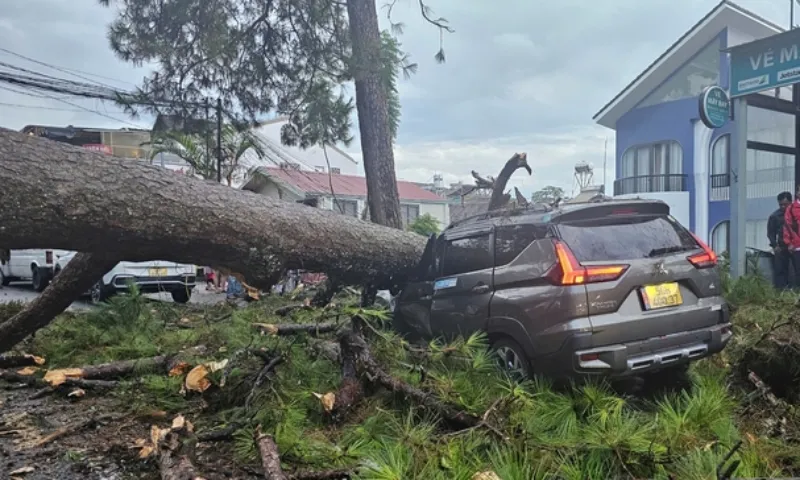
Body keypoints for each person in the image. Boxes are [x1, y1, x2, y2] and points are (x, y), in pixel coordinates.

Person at [769, 191, 793, 289]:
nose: (783, 207)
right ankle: (781, 291)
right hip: (781, 246)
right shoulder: (775, 216)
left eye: (785, 204)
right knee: (780, 270)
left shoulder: (796, 214)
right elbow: (771, 233)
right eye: (781, 205)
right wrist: (775, 246)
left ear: (791, 202)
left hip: (795, 246)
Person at [783, 186, 800, 285]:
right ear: (797, 193)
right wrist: (788, 243)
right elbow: (787, 226)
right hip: (797, 245)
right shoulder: (791, 208)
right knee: (798, 272)